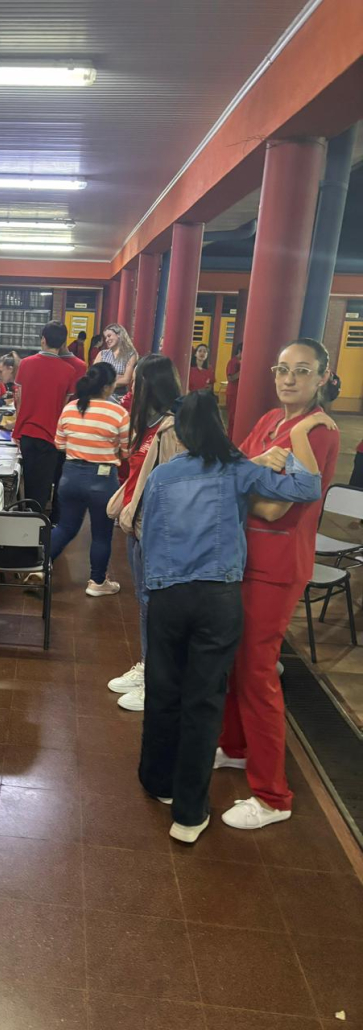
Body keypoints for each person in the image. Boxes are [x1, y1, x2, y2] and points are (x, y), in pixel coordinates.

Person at [138, 391, 329, 844]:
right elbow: (307, 488)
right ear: (218, 427)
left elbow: (149, 536)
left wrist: (154, 589)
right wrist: (302, 434)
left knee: (163, 691)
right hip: (218, 599)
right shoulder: (236, 469)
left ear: (182, 434)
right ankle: (189, 815)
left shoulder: (163, 476)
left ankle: (158, 781)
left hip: (167, 595)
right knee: (204, 701)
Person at [216, 338, 340, 829]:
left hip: (277, 565)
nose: (289, 378)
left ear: (323, 377)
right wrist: (248, 475)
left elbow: (273, 507)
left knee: (257, 671)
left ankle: (273, 796)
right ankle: (235, 746)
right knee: (234, 660)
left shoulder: (318, 431)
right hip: (245, 557)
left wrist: (245, 480)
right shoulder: (270, 419)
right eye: (282, 369)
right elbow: (231, 470)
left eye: (302, 370)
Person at [106, 354, 183, 711]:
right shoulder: (149, 424)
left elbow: (175, 487)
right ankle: (147, 666)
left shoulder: (173, 429)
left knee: (156, 607)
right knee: (145, 604)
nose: (131, 388)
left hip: (157, 532)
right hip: (136, 525)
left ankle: (158, 681)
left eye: (136, 382)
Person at [51, 363, 130, 596]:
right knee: (102, 534)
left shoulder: (70, 407)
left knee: (65, 527)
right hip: (103, 480)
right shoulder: (118, 413)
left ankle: (38, 568)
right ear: (107, 387)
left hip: (70, 476)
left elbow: (59, 444)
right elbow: (126, 451)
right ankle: (97, 582)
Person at [12, 321, 78, 510]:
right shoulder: (70, 371)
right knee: (43, 485)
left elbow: (18, 399)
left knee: (26, 480)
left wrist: (17, 428)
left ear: (43, 339)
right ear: (63, 343)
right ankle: (38, 520)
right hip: (51, 435)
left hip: (26, 432)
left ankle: (26, 516)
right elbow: (64, 407)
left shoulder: (25, 364)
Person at [94, 324, 138, 400]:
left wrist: (104, 380)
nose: (106, 340)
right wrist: (118, 377)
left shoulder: (130, 355)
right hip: (101, 395)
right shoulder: (102, 354)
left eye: (109, 336)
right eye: (105, 337)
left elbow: (126, 379)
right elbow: (94, 375)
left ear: (119, 335)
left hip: (119, 396)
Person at [225, 342, 243, 439]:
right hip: (233, 393)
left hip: (240, 394)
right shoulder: (233, 362)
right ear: (240, 351)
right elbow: (230, 378)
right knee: (232, 418)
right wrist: (243, 370)